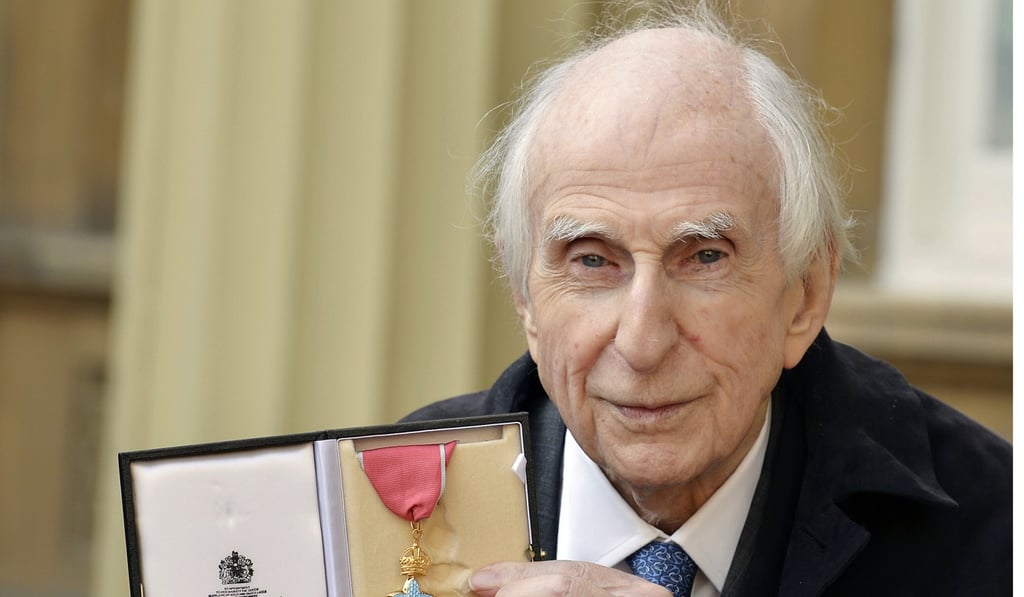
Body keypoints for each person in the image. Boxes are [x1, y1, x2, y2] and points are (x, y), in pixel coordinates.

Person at [404, 4, 1012, 596]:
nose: (642, 343)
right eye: (592, 260)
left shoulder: (991, 527)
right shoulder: (378, 507)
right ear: (526, 298)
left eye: (704, 258)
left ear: (806, 293)